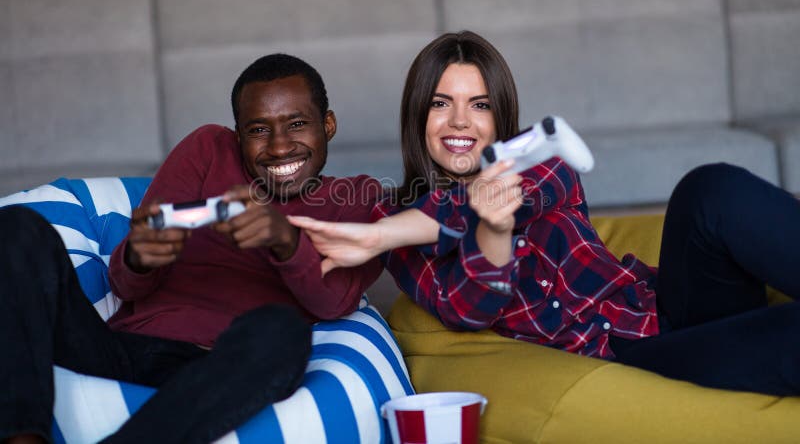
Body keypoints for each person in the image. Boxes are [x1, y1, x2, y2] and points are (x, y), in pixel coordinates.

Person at [289, 30, 800, 396]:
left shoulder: (544, 160)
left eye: (480, 105)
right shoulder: (399, 224)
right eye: (441, 103)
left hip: (668, 304)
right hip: (637, 353)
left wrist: (382, 236)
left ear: (500, 116)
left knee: (708, 188)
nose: (460, 121)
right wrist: (487, 228)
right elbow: (469, 310)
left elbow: (526, 184)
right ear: (418, 114)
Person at [0, 53, 383, 443]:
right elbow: (128, 286)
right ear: (238, 136)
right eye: (258, 130)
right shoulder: (208, 149)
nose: (280, 147)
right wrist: (137, 258)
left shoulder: (356, 197)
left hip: (225, 366)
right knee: (15, 228)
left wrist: (284, 239)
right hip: (127, 348)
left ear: (328, 125)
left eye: (297, 124)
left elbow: (334, 302)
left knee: (282, 332)